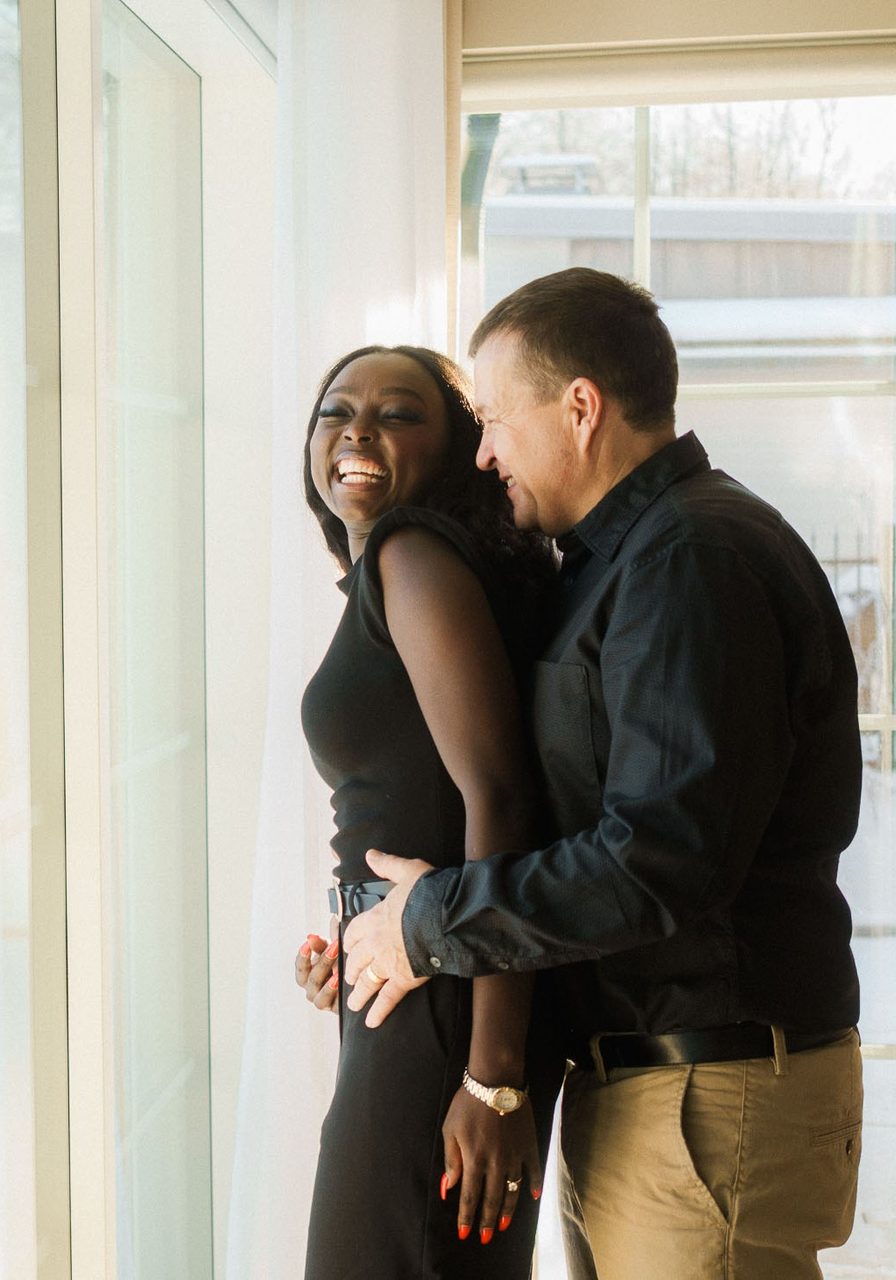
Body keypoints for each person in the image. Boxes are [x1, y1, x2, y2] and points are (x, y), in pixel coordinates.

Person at [339, 267, 866, 1280]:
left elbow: (659, 860)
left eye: (495, 420)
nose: (483, 452)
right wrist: (382, 923)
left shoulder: (691, 560)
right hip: (656, 1092)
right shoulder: (621, 563)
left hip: (707, 1102)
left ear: (581, 408)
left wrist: (432, 922)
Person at [290, 343, 564, 1278]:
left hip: (454, 1000)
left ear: (455, 453)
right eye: (336, 410)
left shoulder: (412, 555)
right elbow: (425, 801)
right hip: (419, 986)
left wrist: (493, 1078)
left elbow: (503, 797)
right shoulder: (396, 572)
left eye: (399, 413)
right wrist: (356, 932)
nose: (357, 429)